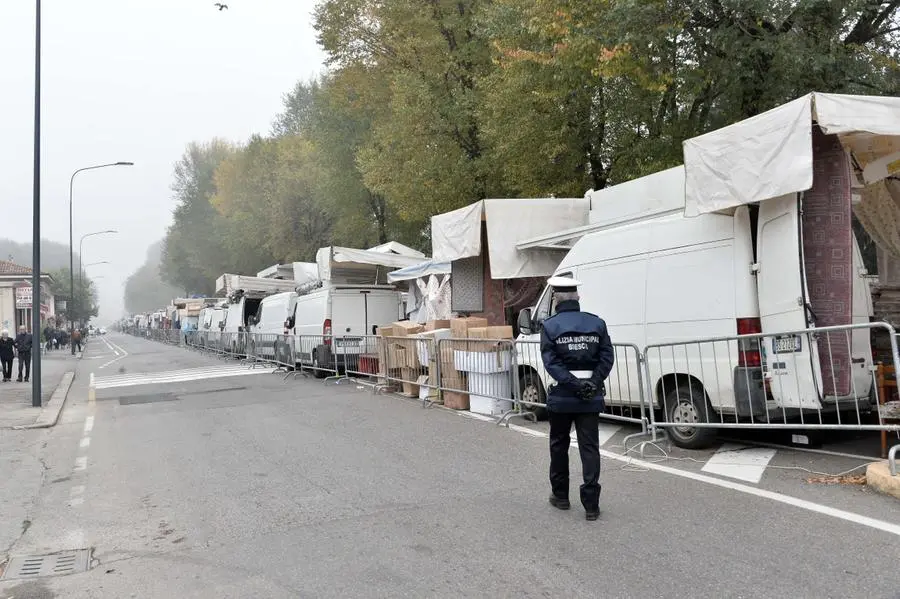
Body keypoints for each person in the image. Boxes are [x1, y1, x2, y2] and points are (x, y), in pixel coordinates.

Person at [540, 276, 615, 521]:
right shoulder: (597, 324)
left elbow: (551, 364)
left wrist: (573, 384)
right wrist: (591, 384)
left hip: (562, 396)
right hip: (590, 397)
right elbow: (606, 358)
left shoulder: (550, 326)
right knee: (589, 448)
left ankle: (561, 496)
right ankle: (591, 505)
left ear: (555, 300)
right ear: (578, 298)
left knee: (559, 445)